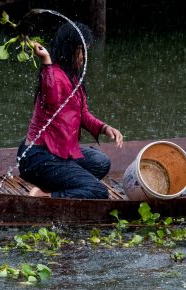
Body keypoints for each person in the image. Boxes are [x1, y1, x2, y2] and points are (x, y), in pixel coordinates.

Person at [17, 22, 123, 199]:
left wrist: (105, 128)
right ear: (69, 49)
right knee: (98, 191)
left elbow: (83, 115)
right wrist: (46, 61)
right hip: (38, 157)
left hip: (58, 153)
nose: (84, 56)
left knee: (101, 162)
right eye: (82, 50)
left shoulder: (74, 76)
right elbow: (52, 98)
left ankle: (59, 185)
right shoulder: (53, 74)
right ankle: (45, 195)